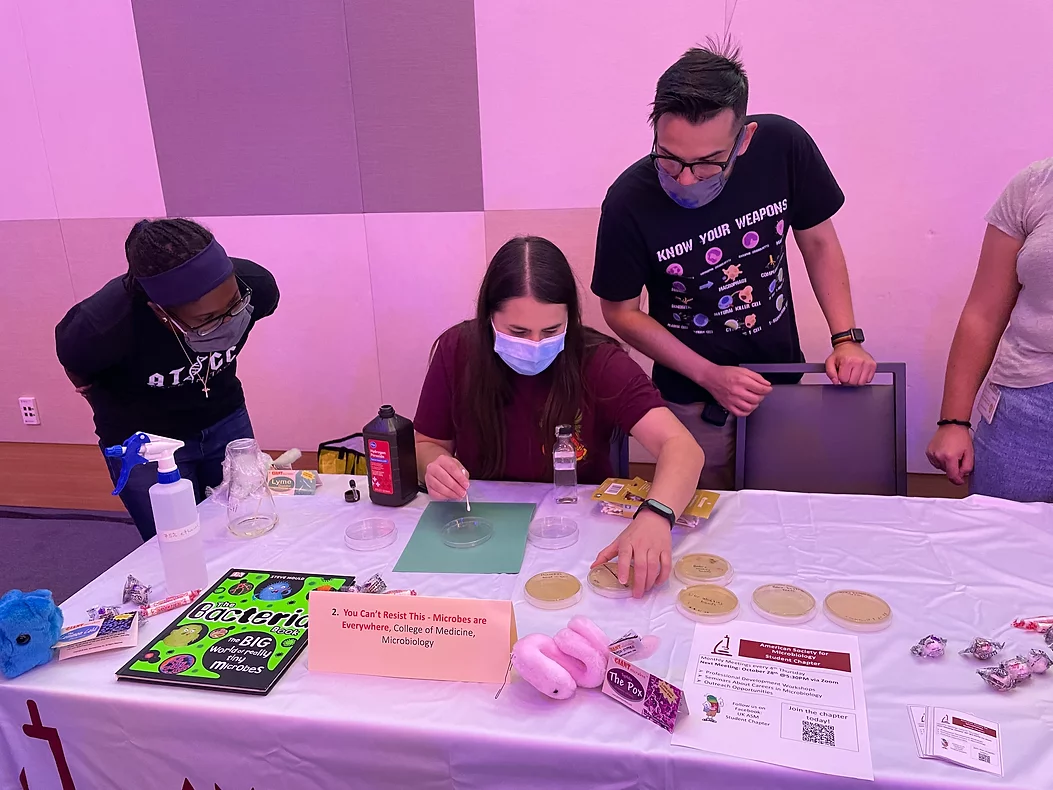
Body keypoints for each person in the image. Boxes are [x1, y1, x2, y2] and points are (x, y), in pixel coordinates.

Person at [591, 42, 876, 489]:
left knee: (778, 505)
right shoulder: (629, 201)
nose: (685, 178)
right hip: (691, 395)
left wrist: (846, 337)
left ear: (743, 139)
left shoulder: (783, 148)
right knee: (703, 520)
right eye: (669, 157)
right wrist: (709, 375)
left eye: (706, 164)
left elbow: (818, 242)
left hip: (779, 380)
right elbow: (620, 311)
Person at [414, 236, 705, 597]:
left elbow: (682, 446)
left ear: (571, 318)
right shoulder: (457, 351)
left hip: (579, 535)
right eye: (518, 332)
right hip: (484, 526)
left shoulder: (599, 361)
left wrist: (656, 515)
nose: (535, 345)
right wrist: (436, 466)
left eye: (551, 331)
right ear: (488, 317)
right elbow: (427, 444)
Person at [55, 219, 279, 539]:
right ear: (161, 312)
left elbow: (244, 306)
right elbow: (79, 370)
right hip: (146, 441)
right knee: (174, 540)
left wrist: (225, 317)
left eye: (233, 305)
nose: (228, 320)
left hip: (225, 416)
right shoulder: (98, 328)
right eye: (208, 320)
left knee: (247, 520)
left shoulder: (257, 286)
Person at [926, 158, 1053, 502]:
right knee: (1000, 546)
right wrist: (953, 421)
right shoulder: (1034, 185)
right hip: (1025, 409)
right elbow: (982, 313)